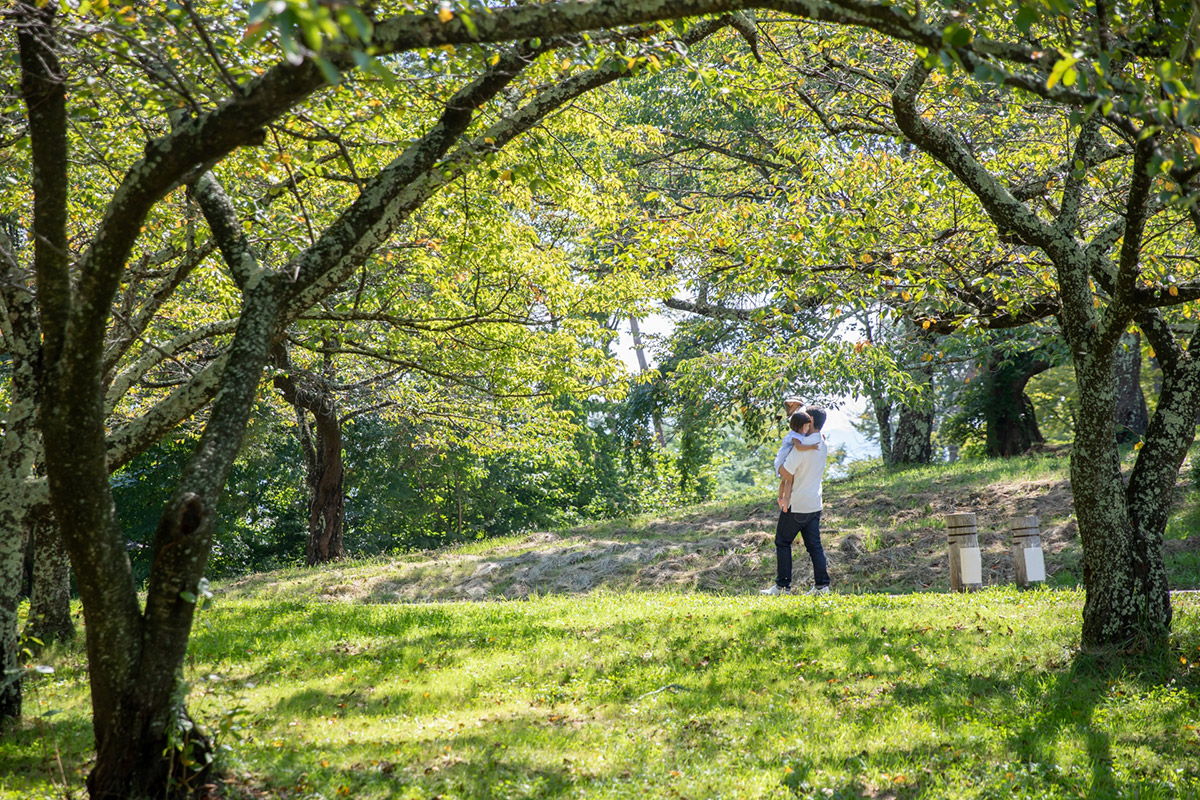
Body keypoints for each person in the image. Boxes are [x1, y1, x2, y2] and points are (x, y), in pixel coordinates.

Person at [762, 406, 829, 595]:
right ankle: (822, 586)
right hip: (814, 502)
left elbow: (785, 471)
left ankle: (782, 587)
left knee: (782, 542)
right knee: (814, 546)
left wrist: (779, 464)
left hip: (797, 503)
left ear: (811, 422)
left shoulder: (802, 447)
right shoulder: (822, 443)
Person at [773, 396, 818, 476]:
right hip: (784, 460)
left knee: (787, 480)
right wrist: (812, 446)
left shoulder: (800, 431)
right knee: (788, 480)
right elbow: (799, 446)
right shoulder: (795, 435)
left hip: (787, 460)